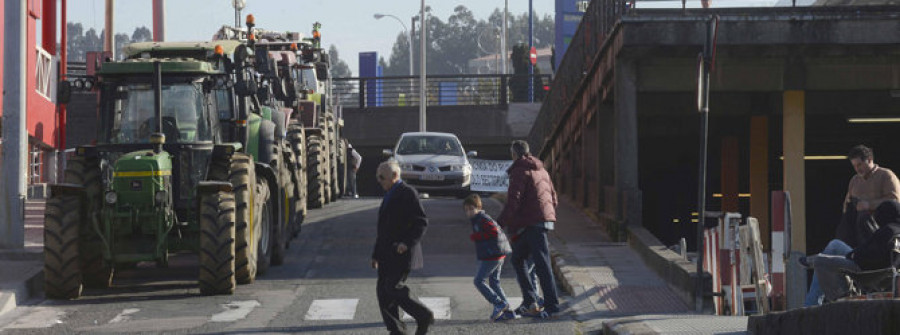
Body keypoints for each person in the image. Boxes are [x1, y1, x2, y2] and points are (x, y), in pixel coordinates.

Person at [497, 140, 562, 318]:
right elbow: (553, 197)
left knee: (541, 264)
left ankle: (552, 306)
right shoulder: (542, 170)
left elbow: (513, 200)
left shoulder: (519, 170)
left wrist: (500, 223)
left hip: (531, 222)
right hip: (540, 221)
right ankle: (530, 301)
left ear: (514, 154)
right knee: (518, 258)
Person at [371, 160, 434, 335]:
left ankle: (423, 315)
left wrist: (406, 243)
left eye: (382, 177)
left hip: (401, 252)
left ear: (394, 176)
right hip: (386, 253)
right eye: (378, 177)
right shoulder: (390, 193)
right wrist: (375, 254)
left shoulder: (407, 193)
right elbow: (383, 229)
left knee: (393, 287)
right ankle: (396, 330)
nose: (379, 180)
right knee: (383, 293)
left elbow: (421, 222)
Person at [804, 200, 900, 306]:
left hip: (867, 270)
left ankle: (839, 299)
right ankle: (817, 259)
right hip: (884, 272)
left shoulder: (888, 230)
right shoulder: (896, 232)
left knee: (820, 262)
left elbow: (871, 255)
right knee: (835, 245)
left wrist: (853, 255)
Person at [836, 145, 900, 248]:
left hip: (879, 225)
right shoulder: (854, 181)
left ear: (870, 160)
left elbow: (895, 201)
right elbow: (846, 205)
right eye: (854, 166)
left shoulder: (886, 176)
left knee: (864, 217)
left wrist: (870, 205)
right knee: (844, 225)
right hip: (856, 227)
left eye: (860, 165)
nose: (857, 169)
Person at [464, 194, 515, 321]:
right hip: (496, 254)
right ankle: (507, 311)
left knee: (478, 281)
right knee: (494, 282)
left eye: (471, 209)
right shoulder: (478, 219)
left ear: (478, 207)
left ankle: (498, 303)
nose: (469, 212)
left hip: (492, 255)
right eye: (466, 210)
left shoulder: (483, 219)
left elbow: (493, 232)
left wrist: (478, 237)